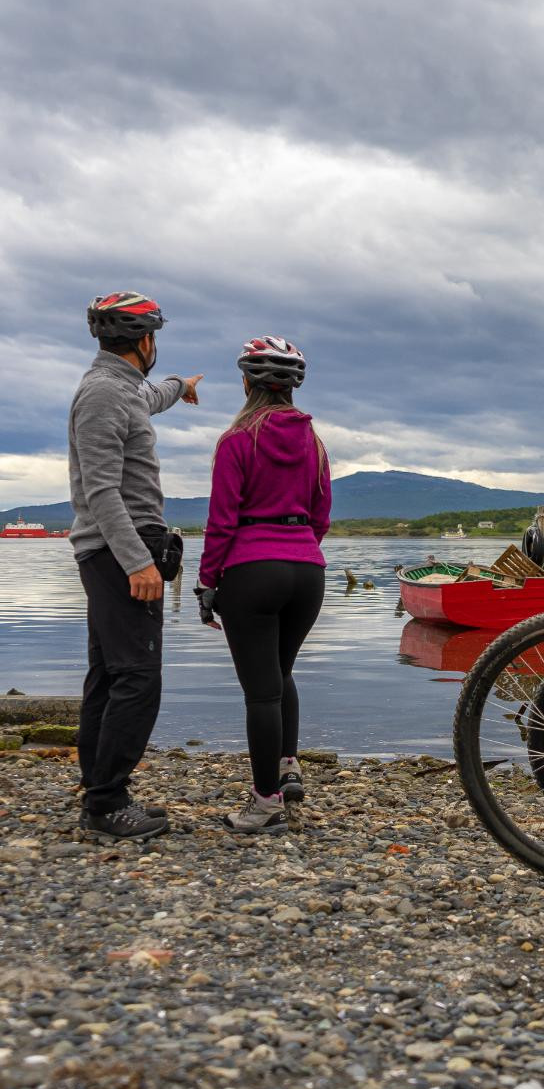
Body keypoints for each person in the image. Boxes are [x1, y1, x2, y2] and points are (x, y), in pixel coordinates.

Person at [69, 291, 203, 839]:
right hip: (119, 551)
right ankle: (106, 804)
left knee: (108, 675)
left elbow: (149, 397)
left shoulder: (120, 389)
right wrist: (137, 564)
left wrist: (181, 386)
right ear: (145, 340)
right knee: (138, 678)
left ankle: (99, 790)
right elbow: (101, 491)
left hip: (117, 551)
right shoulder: (102, 395)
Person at [196, 336, 331, 833]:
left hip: (253, 570)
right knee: (281, 670)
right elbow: (322, 517)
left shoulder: (237, 440)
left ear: (247, 380)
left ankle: (265, 804)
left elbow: (222, 521)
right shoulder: (314, 443)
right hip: (307, 570)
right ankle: (287, 765)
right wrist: (298, 548)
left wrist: (209, 581)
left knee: (260, 692)